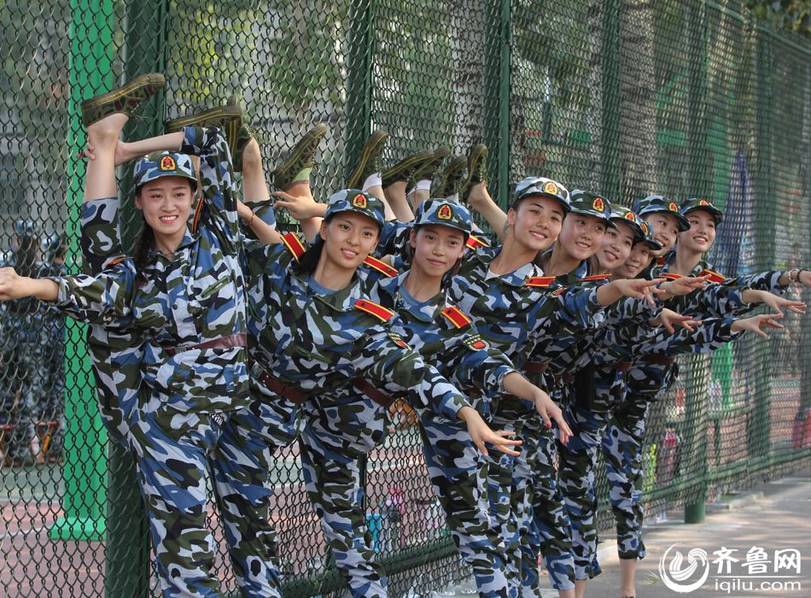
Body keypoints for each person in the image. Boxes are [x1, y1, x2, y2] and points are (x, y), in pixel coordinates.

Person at [0, 73, 277, 597]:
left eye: (178, 193)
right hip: (172, 418)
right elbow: (89, 290)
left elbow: (213, 140)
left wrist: (131, 151)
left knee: (255, 537)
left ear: (195, 198)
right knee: (187, 559)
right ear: (141, 205)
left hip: (237, 406)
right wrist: (30, 284)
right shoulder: (134, 274)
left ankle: (108, 143)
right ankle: (101, 145)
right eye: (155, 196)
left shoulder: (216, 235)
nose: (168, 204)